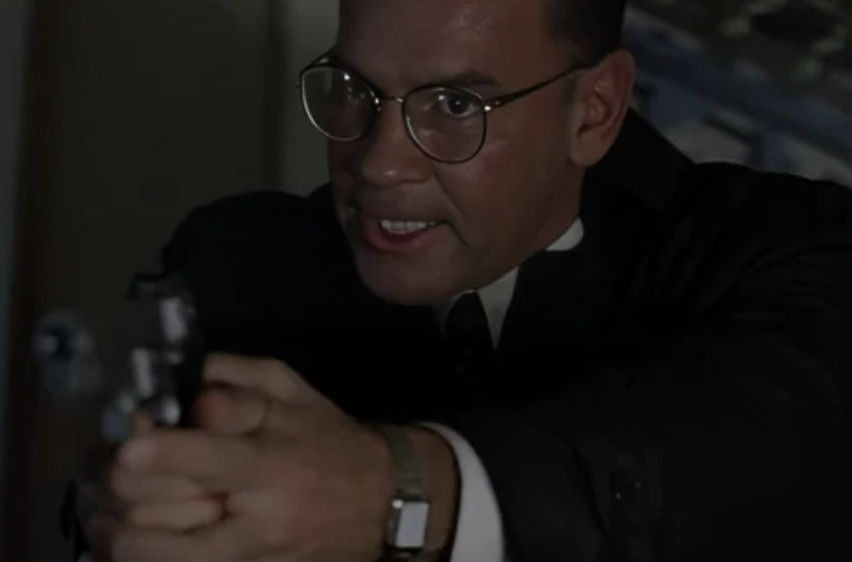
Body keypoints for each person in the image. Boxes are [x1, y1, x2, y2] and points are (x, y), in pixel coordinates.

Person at [74, 0, 852, 561]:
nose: (379, 164)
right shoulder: (235, 259)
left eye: (454, 103)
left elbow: (745, 459)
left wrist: (394, 493)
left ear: (594, 111)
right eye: (354, 90)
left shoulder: (788, 248)